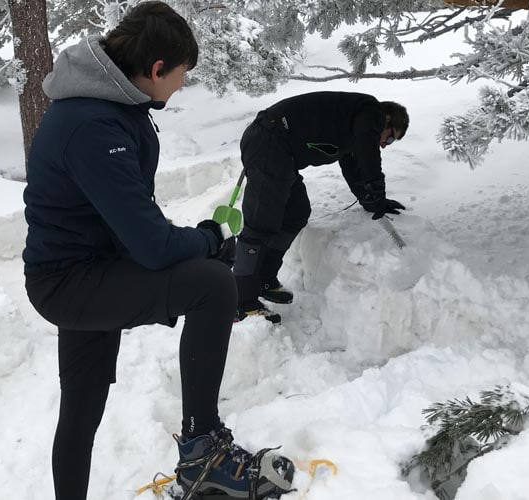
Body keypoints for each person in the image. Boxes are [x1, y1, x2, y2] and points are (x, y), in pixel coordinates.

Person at [21, 3, 294, 499]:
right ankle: (203, 453)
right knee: (212, 284)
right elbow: (150, 244)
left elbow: (131, 222)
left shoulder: (109, 107)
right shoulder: (93, 127)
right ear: (156, 70)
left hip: (87, 269)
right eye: (182, 75)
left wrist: (197, 245)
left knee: (80, 411)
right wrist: (210, 239)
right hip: (71, 281)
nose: (181, 85)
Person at [234, 91, 409, 323]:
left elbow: (354, 167)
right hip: (269, 140)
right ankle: (240, 297)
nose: (385, 145)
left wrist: (372, 201)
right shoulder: (371, 112)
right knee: (261, 222)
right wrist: (378, 195)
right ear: (386, 120)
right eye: (389, 139)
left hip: (280, 151)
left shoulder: (355, 124)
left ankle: (265, 278)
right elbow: (369, 156)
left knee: (296, 213)